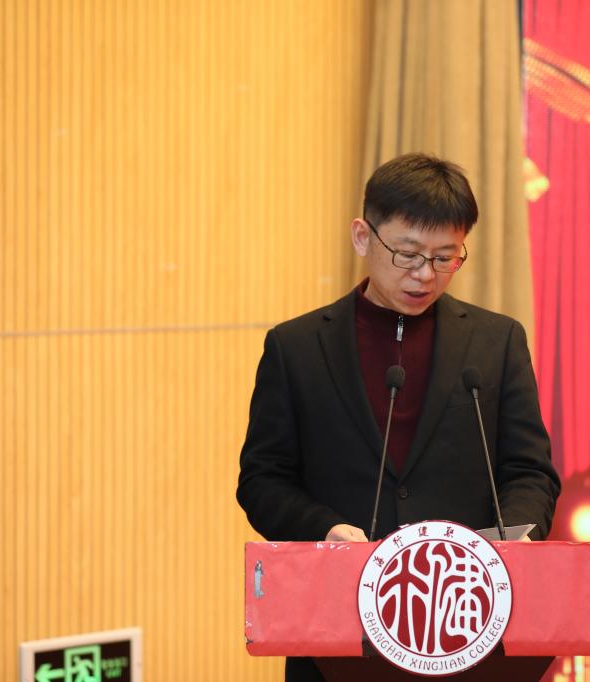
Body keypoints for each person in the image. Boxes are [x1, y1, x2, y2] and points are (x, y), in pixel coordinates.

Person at [236, 153, 561, 681]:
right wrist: (325, 530)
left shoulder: (496, 342)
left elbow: (529, 471)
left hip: (468, 622)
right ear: (363, 237)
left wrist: (515, 538)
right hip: (339, 632)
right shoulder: (296, 348)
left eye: (445, 257)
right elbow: (262, 480)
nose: (425, 274)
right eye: (408, 254)